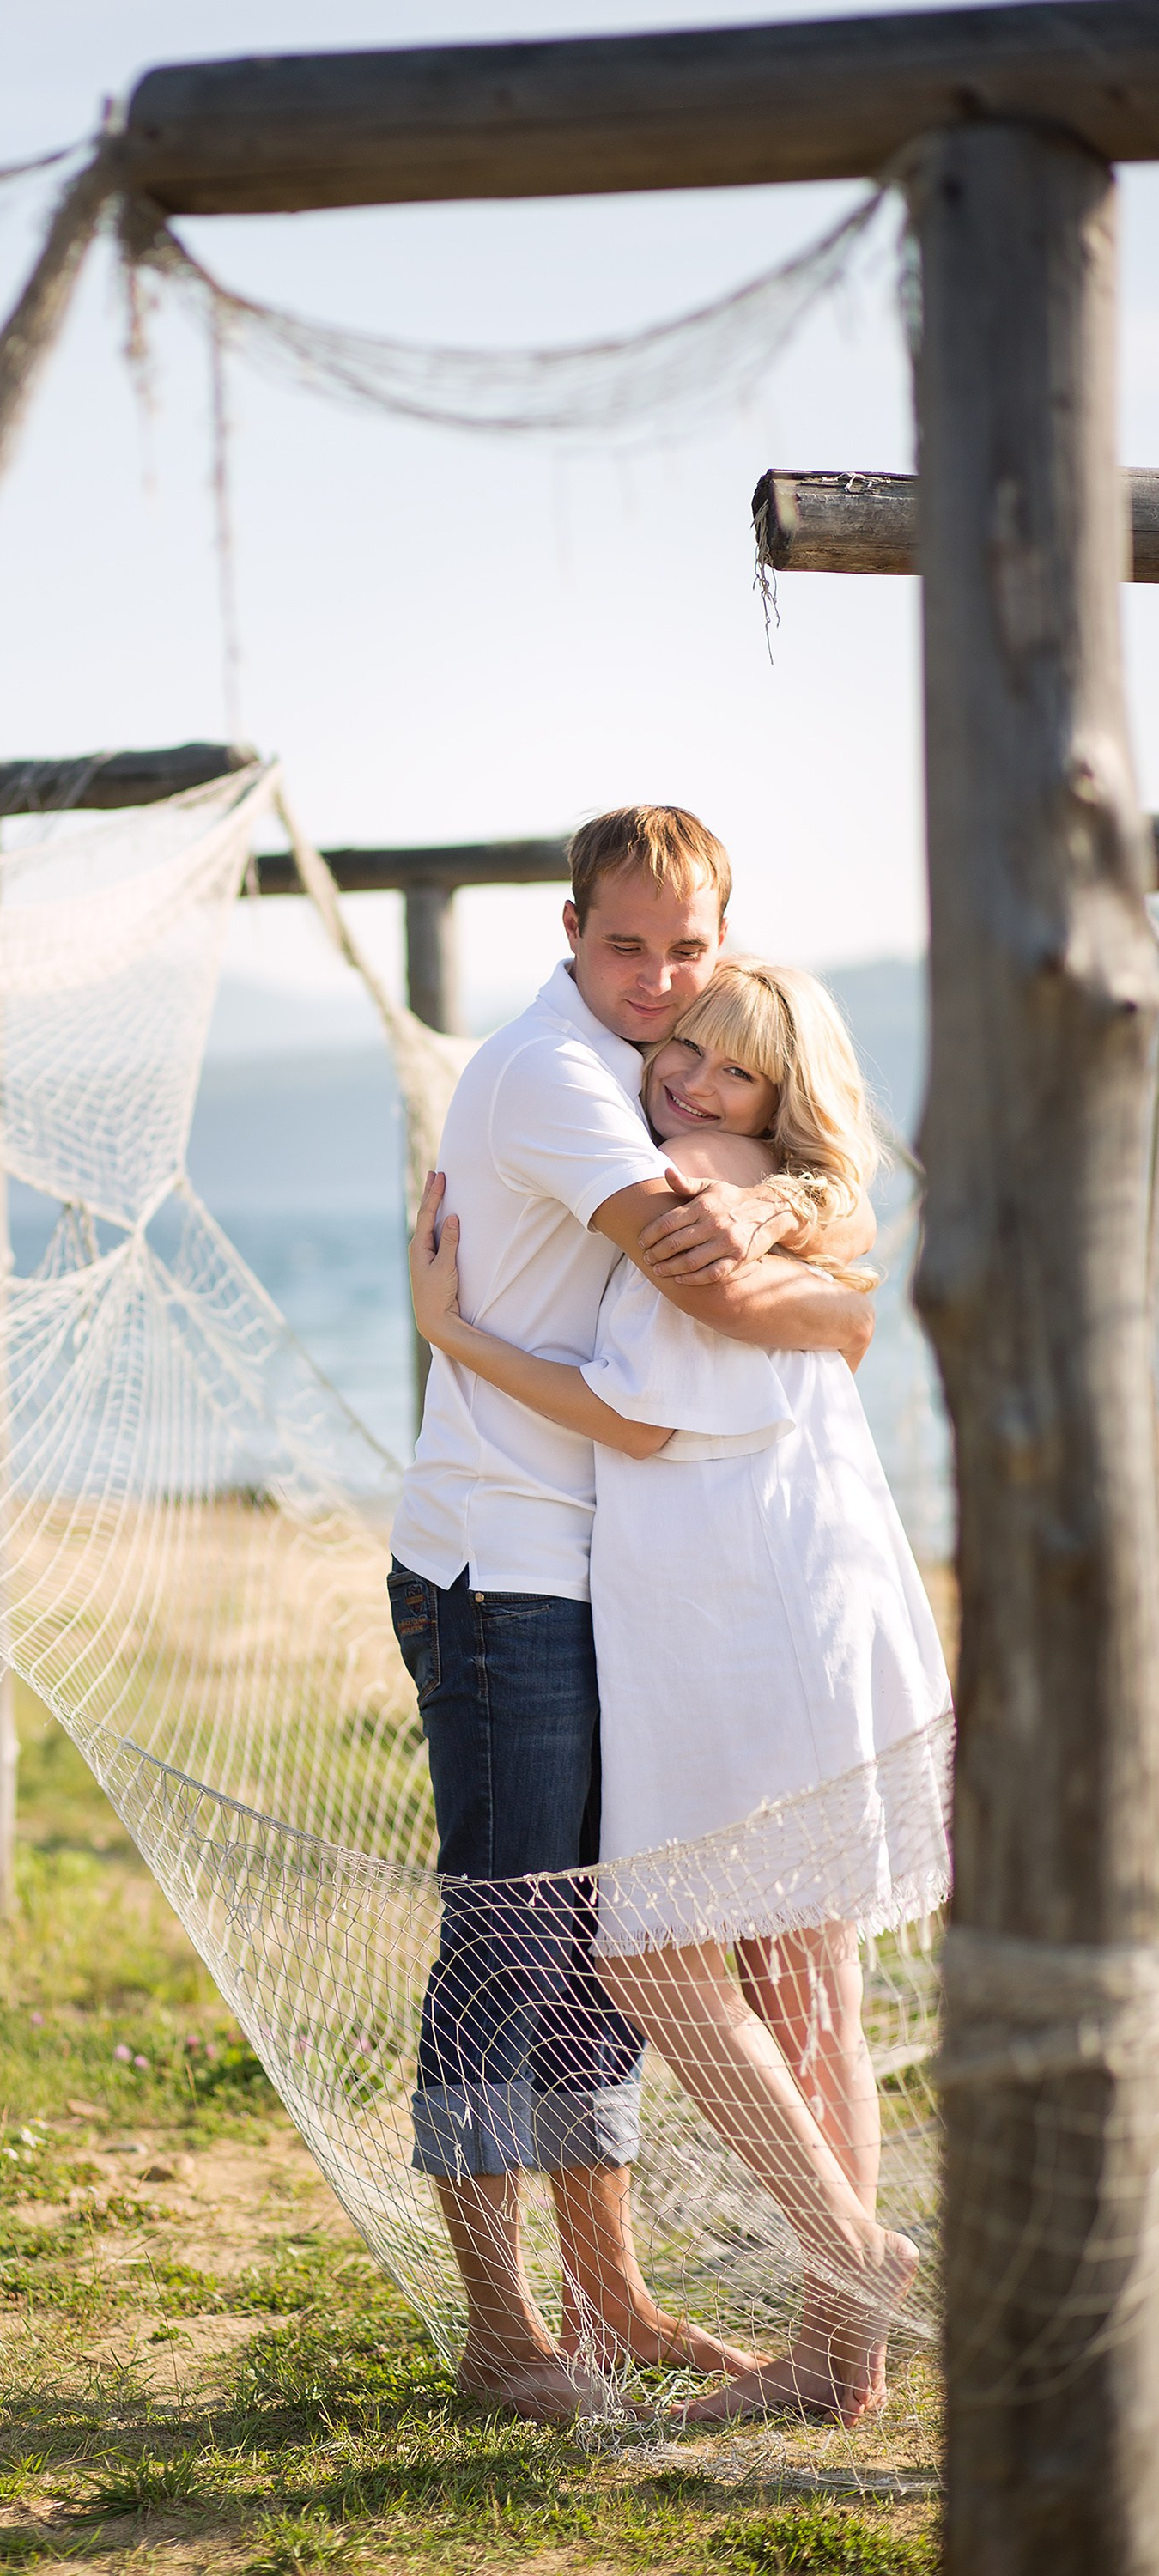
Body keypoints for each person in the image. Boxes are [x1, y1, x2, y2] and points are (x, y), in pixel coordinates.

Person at [408, 957, 950, 2427]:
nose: (691, 1081)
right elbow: (838, 1292)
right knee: (803, 1971)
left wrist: (456, 1341)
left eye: (733, 1071)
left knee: (655, 1956)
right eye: (690, 1051)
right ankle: (846, 2356)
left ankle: (853, 2266)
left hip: (733, 1604)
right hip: (802, 1589)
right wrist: (809, 1217)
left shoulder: (693, 1175)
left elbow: (643, 1418)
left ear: (778, 1102)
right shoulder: (766, 1173)